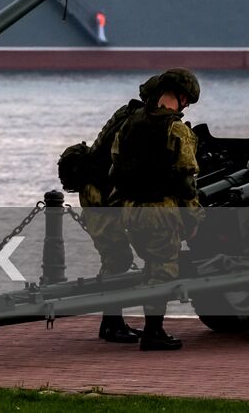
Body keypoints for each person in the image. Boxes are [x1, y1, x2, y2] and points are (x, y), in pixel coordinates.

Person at [56, 74, 161, 343]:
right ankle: (112, 324)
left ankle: (111, 323)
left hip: (104, 191)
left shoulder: (130, 114)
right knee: (117, 258)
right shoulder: (136, 122)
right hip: (97, 193)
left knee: (118, 258)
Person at [110, 67, 202, 351]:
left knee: (151, 266)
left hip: (131, 209)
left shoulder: (130, 123)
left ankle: (143, 325)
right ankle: (154, 332)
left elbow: (116, 167)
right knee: (163, 271)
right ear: (183, 96)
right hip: (160, 210)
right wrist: (193, 216)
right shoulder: (176, 129)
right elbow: (187, 178)